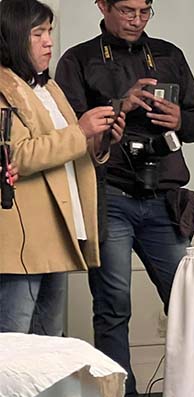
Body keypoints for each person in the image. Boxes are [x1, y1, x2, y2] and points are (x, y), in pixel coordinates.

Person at [55, 0, 194, 397]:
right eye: (127, 10)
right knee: (112, 306)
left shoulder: (169, 54)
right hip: (110, 195)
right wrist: (119, 106)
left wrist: (180, 120)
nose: (136, 20)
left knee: (189, 302)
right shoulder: (79, 60)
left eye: (145, 11)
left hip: (165, 197)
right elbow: (66, 130)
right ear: (103, 5)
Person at [0, 0, 125, 335]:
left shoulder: (49, 87)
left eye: (50, 32)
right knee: (14, 343)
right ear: (13, 37)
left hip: (60, 229)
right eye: (38, 33)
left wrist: (99, 141)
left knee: (50, 341)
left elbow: (68, 150)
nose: (49, 42)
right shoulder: (3, 87)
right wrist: (81, 131)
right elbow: (15, 156)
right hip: (23, 236)